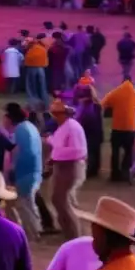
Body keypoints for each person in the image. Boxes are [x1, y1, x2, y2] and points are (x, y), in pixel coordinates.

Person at [47, 100, 87, 240]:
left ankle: (74, 234)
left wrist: (56, 155)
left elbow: (78, 150)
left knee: (61, 200)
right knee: (58, 200)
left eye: (57, 114)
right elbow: (59, 144)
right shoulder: (65, 126)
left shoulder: (71, 127)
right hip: (63, 166)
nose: (54, 116)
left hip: (69, 166)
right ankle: (69, 232)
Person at [4, 102, 43, 241]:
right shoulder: (30, 127)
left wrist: (12, 170)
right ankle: (35, 231)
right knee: (28, 205)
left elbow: (22, 152)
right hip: (35, 172)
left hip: (25, 173)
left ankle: (32, 234)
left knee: (25, 205)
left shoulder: (20, 131)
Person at [100, 78, 135, 182]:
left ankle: (115, 175)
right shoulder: (134, 94)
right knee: (128, 152)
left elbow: (103, 103)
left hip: (117, 128)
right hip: (130, 128)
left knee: (115, 152)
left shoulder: (115, 92)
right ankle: (125, 173)